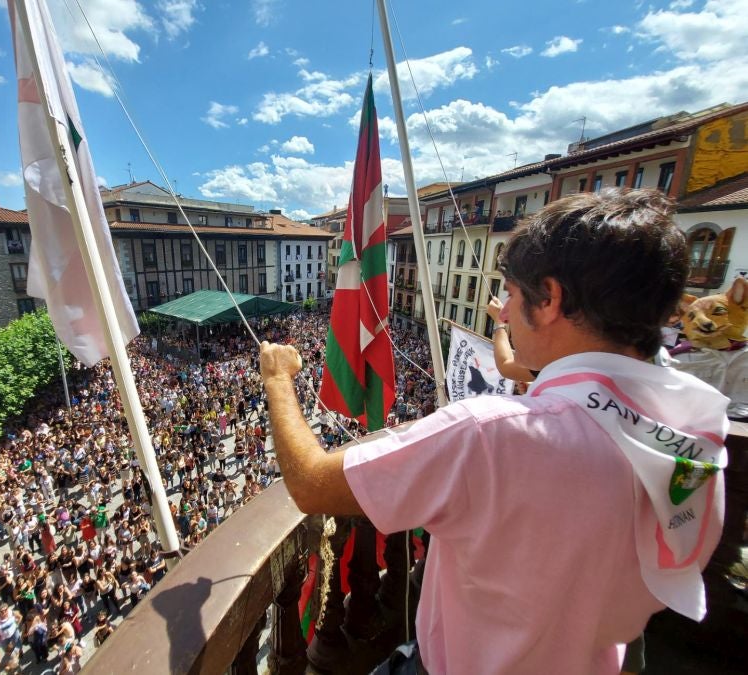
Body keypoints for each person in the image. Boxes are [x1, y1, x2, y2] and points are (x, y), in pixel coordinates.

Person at [258, 189, 728, 674]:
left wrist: (278, 379)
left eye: (512, 295)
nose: (502, 313)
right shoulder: (694, 435)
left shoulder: (492, 434)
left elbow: (311, 484)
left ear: (551, 299)